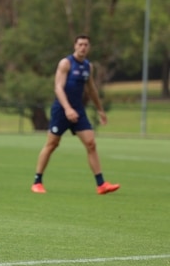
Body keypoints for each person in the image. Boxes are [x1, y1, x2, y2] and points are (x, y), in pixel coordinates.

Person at [32, 35, 119, 195]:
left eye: (86, 45)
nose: (83, 47)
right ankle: (37, 181)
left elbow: (91, 89)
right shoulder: (66, 63)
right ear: (75, 46)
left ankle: (101, 185)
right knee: (52, 144)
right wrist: (67, 109)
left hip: (78, 110)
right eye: (80, 44)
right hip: (61, 110)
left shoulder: (88, 66)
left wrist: (100, 109)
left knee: (91, 144)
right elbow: (58, 88)